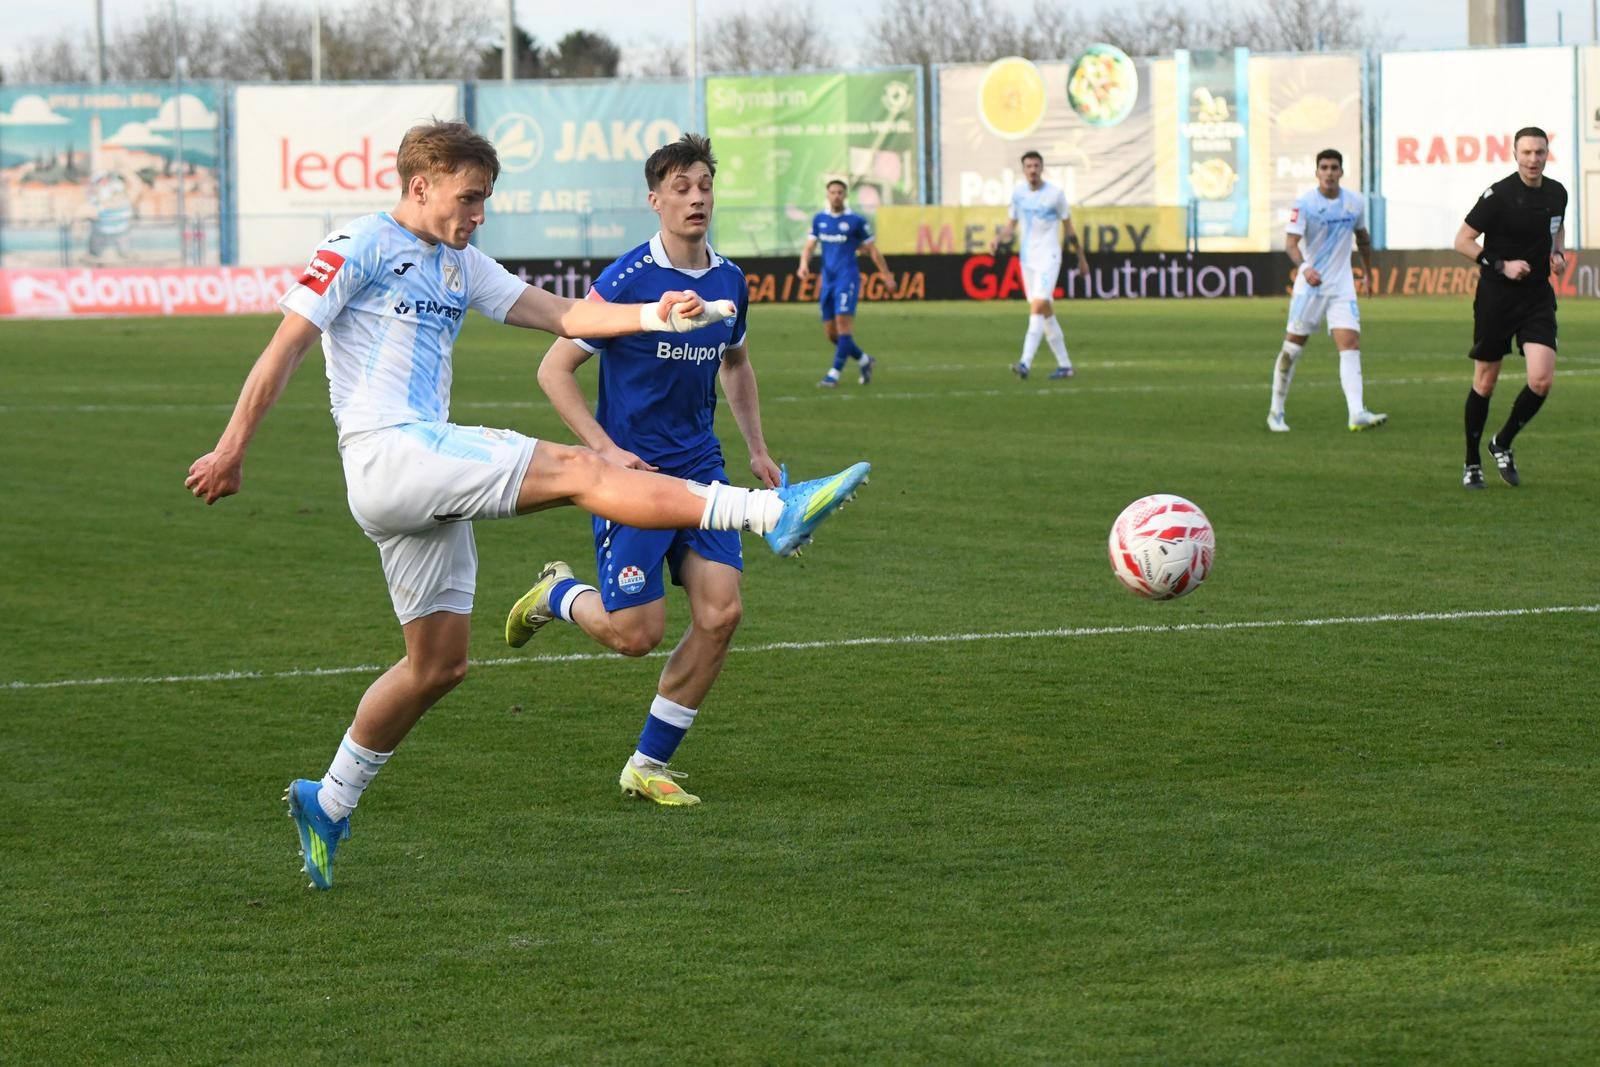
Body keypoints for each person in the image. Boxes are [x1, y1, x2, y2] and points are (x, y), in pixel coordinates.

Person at [183, 120, 870, 888]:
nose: (478, 214)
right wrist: (231, 447)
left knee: (438, 666)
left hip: (420, 481)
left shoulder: (461, 263)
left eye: (486, 200)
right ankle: (771, 513)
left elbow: (567, 317)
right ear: (421, 185)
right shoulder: (359, 244)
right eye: (469, 198)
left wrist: (655, 314)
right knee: (582, 465)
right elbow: (286, 345)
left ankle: (330, 798)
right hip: (390, 452)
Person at [508, 134, 862, 807]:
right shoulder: (627, 280)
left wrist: (757, 448)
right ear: (655, 200)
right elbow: (554, 369)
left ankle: (648, 763)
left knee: (722, 612)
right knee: (634, 636)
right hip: (633, 477)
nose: (697, 197)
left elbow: (737, 363)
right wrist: (604, 450)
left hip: (701, 468)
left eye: (704, 185)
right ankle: (558, 594)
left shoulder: (730, 281)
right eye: (681, 187)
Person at [1452, 126, 1566, 490]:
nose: (1533, 159)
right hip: (1497, 297)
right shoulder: (1498, 195)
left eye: (1539, 152)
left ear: (1547, 154)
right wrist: (1502, 265)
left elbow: (1557, 228)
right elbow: (1462, 241)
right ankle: (1472, 461)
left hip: (1537, 297)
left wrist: (1557, 253)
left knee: (1541, 379)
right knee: (1485, 381)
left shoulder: (1557, 192)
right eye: (1527, 152)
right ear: (1515, 154)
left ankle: (1501, 442)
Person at [1266, 148, 1386, 433]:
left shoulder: (1354, 202)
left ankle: (1356, 412)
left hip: (1342, 287)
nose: (1329, 173)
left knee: (1350, 344)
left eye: (1334, 168)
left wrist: (1367, 273)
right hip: (1311, 288)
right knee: (1292, 348)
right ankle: (1276, 412)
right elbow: (1291, 244)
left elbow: (1363, 238)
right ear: (1317, 172)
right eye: (1324, 168)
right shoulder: (1305, 204)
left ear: (1341, 171)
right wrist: (1305, 268)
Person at [990, 150, 1089, 380]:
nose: (1033, 170)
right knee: (1045, 312)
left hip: (1049, 259)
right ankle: (1065, 366)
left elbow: (1069, 229)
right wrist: (998, 238)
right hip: (1028, 261)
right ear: (1024, 170)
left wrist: (1081, 258)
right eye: (1029, 166)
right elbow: (1011, 225)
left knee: (1037, 306)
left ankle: (1025, 363)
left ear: (1042, 168)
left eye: (1036, 166)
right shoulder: (1018, 194)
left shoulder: (1055, 195)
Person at [797, 178, 894, 387]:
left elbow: (872, 250)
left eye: (840, 192)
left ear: (845, 195)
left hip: (847, 278)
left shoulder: (855, 221)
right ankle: (865, 361)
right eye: (833, 192)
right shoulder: (820, 219)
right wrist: (803, 264)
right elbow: (810, 246)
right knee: (832, 334)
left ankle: (833, 375)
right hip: (828, 281)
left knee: (843, 327)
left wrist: (886, 274)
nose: (836, 196)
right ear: (827, 195)